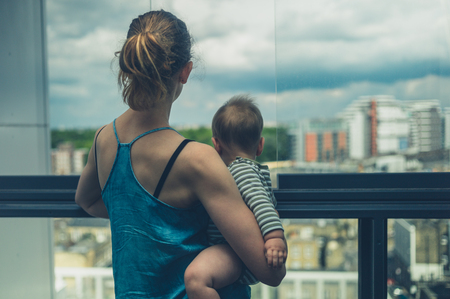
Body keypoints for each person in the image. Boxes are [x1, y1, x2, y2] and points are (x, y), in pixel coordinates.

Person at [74, 10, 286, 299]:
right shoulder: (196, 160)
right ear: (185, 72)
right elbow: (270, 272)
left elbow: (86, 201)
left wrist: (139, 218)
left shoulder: (102, 139)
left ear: (130, 66)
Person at [184, 95, 287, 298]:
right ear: (260, 145)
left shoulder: (240, 171)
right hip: (236, 250)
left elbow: (262, 205)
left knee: (196, 279)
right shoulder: (247, 170)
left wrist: (275, 238)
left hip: (232, 250)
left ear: (216, 145)